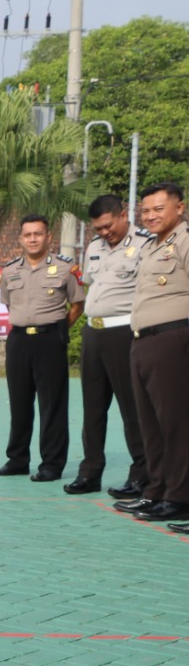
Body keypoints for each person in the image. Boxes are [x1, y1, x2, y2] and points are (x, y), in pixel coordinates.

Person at [0, 214, 85, 482]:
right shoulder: (10, 271)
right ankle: (17, 460)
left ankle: (51, 464)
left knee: (52, 404)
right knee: (19, 403)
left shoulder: (66, 269)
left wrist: (56, 329)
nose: (33, 239)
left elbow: (78, 305)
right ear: (20, 239)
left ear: (48, 237)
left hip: (50, 340)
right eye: (28, 234)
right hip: (18, 340)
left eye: (38, 234)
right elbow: (10, 305)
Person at [69, 195, 149, 499]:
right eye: (98, 228)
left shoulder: (146, 243)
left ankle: (142, 474)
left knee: (132, 408)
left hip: (125, 333)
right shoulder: (94, 248)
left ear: (123, 214)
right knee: (92, 408)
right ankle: (90, 473)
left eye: (108, 226)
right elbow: (91, 284)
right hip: (94, 333)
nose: (104, 232)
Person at [124, 183, 189, 526]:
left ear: (179, 208)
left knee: (176, 423)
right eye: (145, 210)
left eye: (158, 209)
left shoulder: (185, 239)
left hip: (172, 339)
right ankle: (158, 490)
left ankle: (179, 496)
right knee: (150, 423)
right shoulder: (152, 246)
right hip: (143, 341)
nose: (150, 216)